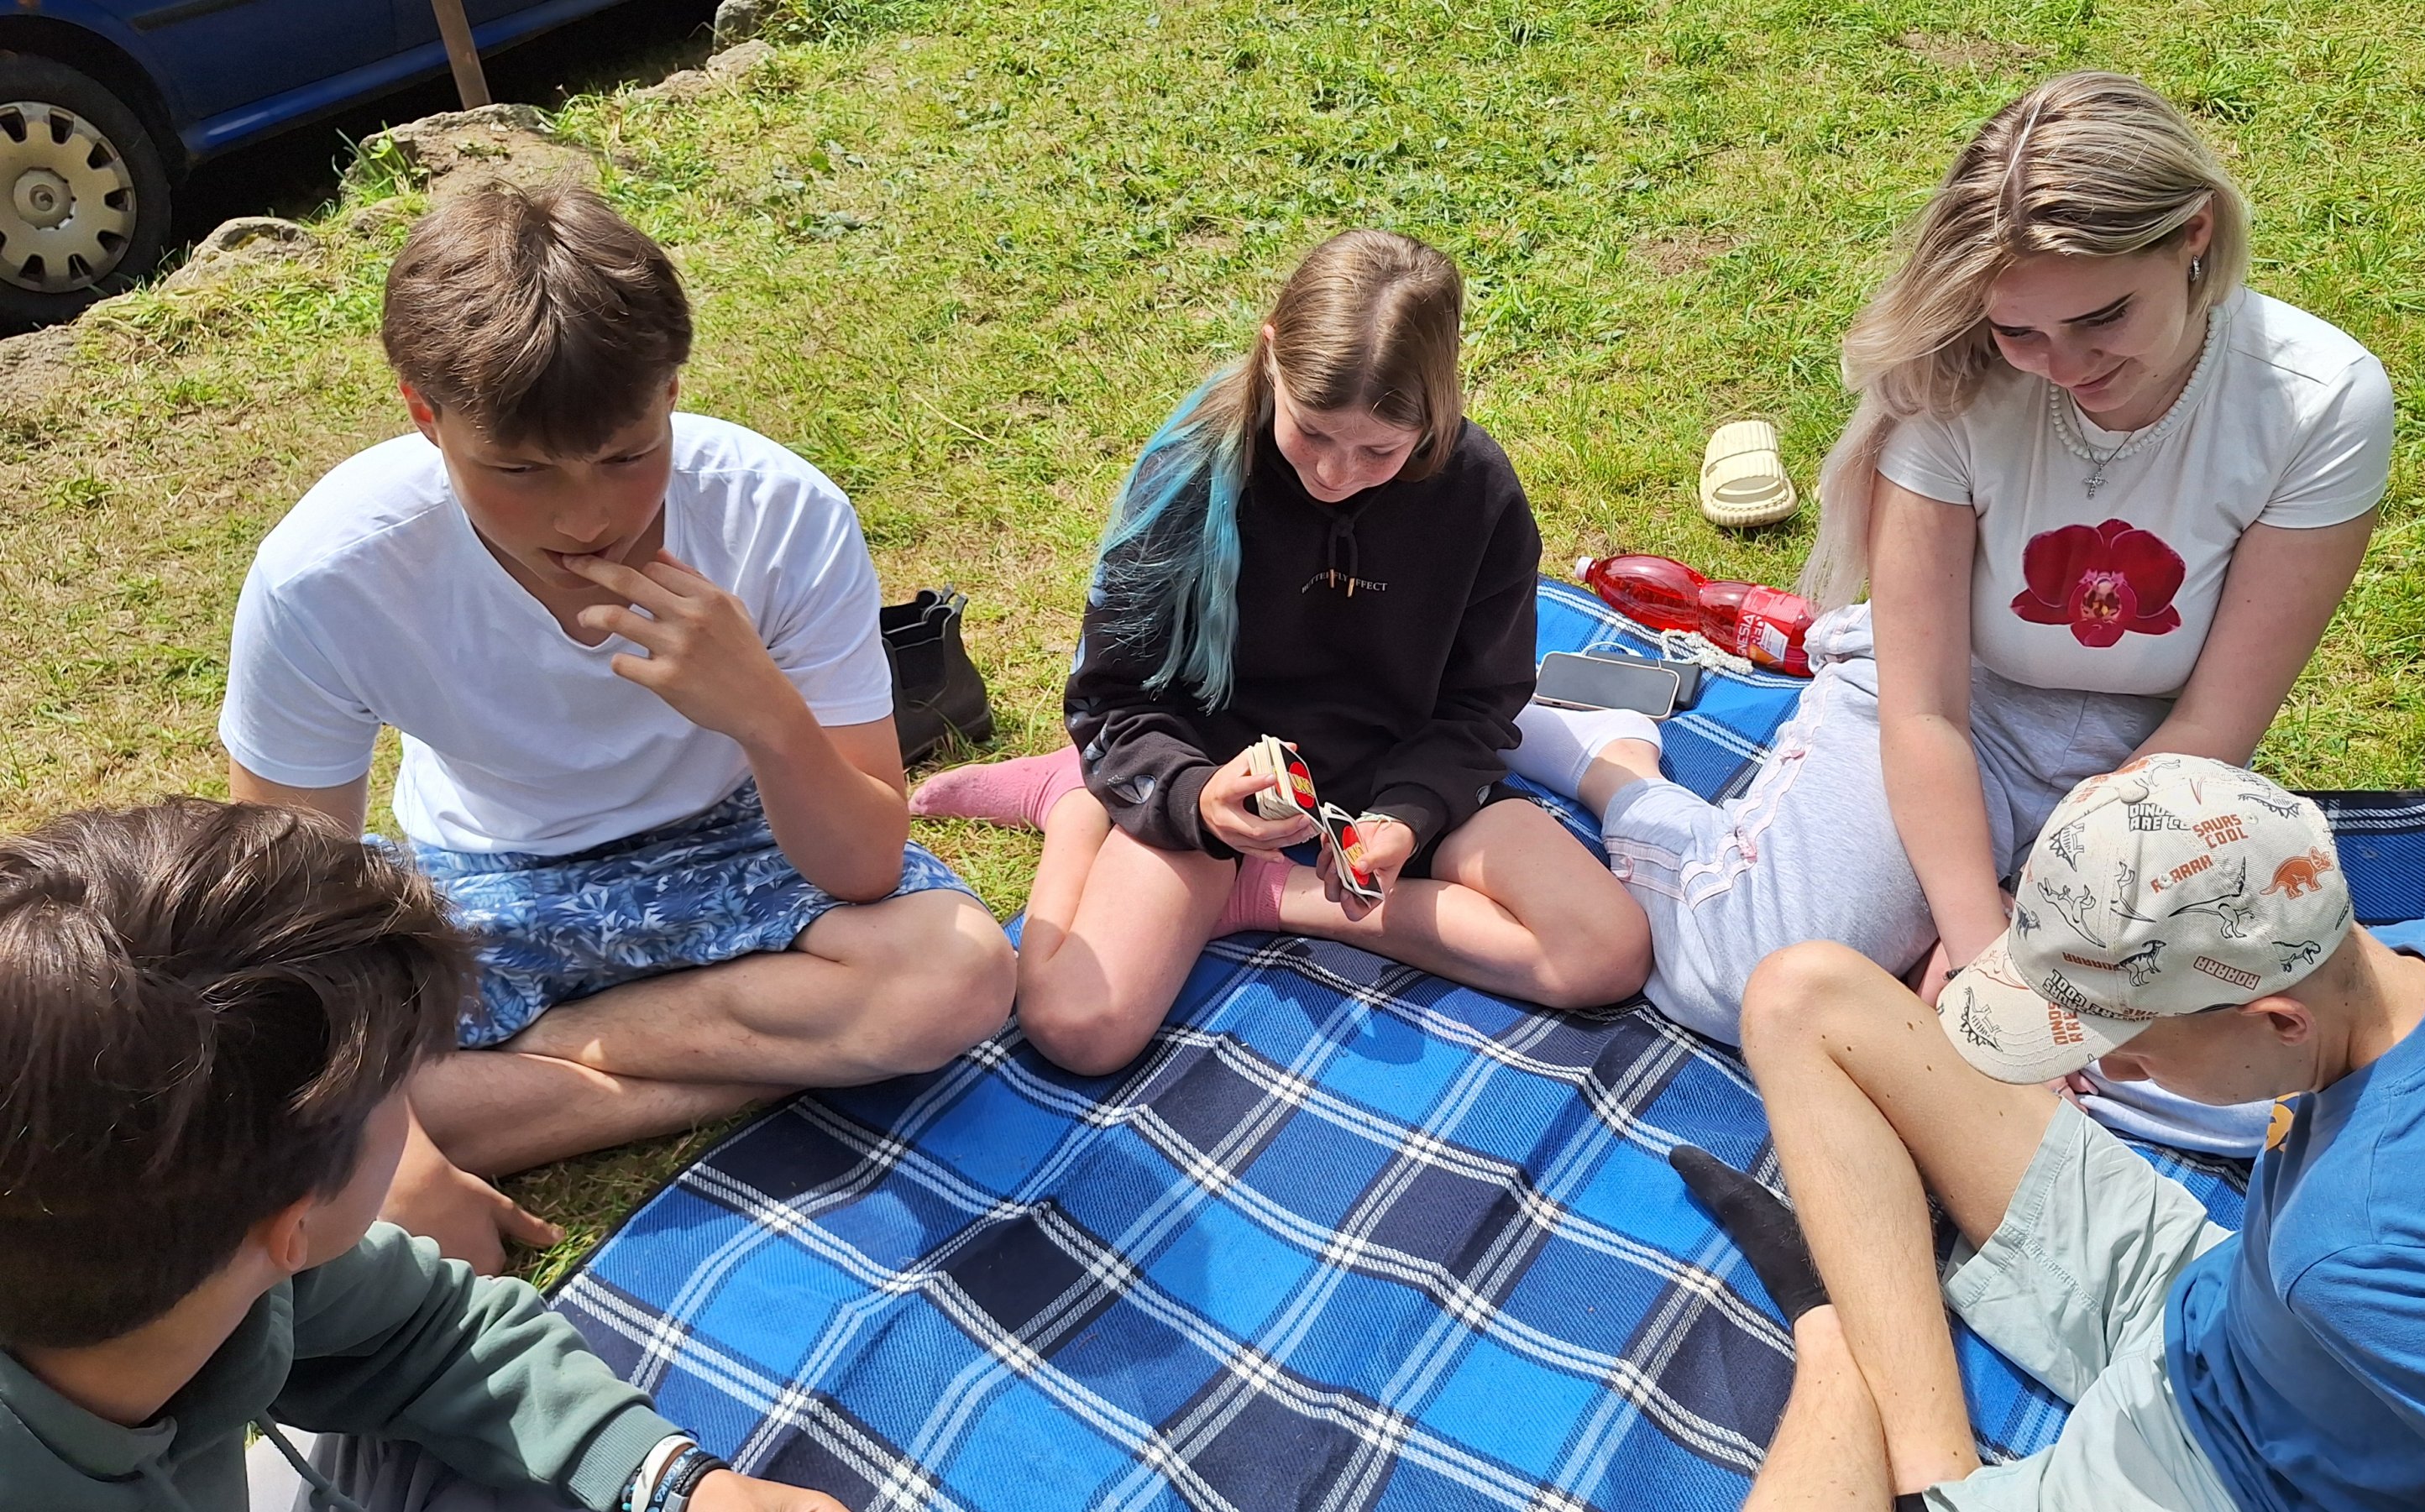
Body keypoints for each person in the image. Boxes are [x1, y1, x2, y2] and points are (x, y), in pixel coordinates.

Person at [1504, 73, 2391, 1154]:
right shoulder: (1953, 375)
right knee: (1735, 979)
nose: (2065, 367)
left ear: (2193, 236)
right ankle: (1616, 767)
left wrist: (2038, 930)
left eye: (2102, 317)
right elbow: (1923, 707)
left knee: (2253, 1090)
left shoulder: (2318, 399)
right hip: (1950, 703)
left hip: (2151, 748)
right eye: (2021, 332)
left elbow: (2214, 722)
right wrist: (1985, 947)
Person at [217, 183, 1016, 1273]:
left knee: (956, 976)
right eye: (518, 470)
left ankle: (513, 1079)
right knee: (261, 1094)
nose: (585, 516)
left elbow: (865, 865)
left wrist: (762, 713)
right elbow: (289, 900)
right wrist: (391, 1146)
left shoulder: (777, 513)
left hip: (733, 838)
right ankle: (771, 1055)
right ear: (424, 415)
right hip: (480, 872)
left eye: (629, 454)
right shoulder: (331, 573)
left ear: (671, 392)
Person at [1684, 753, 2425, 1511]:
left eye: (2126, 1049)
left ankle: (1844, 1355)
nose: (2106, 1074)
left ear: (2275, 1021)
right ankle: (1925, 1459)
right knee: (1804, 994)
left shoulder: (2354, 1249)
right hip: (2218, 1297)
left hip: (2225, 1470)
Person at [910, 229, 1649, 1074]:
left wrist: (1405, 816)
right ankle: (1072, 801)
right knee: (1079, 1026)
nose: (1335, 472)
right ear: (1271, 358)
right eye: (1313, 432)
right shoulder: (1191, 476)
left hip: (1397, 768)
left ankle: (1261, 893)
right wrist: (1192, 798)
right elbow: (1110, 696)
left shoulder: (1477, 491)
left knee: (1605, 952)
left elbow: (1482, 703)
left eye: (1378, 450)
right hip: (1215, 770)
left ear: (1436, 412)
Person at [0, 798, 849, 1512]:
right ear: (294, 1226)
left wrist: (675, 1484)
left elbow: (431, 1332)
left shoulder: (219, 1268)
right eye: (399, 1092)